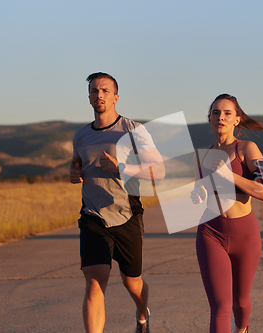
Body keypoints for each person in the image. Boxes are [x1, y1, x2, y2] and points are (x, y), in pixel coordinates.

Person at [70, 72, 165, 333]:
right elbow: (77, 162)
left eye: (104, 90)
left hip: (126, 215)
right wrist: (73, 171)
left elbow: (159, 172)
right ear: (88, 97)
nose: (98, 95)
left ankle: (142, 313)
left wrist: (121, 168)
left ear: (116, 97)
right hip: (93, 217)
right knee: (94, 283)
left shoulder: (133, 130)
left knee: (132, 283)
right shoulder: (80, 136)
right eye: (93, 91)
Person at [191, 94, 263, 333]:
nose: (221, 117)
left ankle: (243, 328)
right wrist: (197, 194)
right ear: (209, 119)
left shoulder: (248, 148)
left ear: (237, 119)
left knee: (240, 301)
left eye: (227, 113)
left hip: (245, 235)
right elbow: (202, 189)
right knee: (220, 306)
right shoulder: (202, 155)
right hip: (210, 231)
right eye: (216, 112)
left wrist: (232, 176)